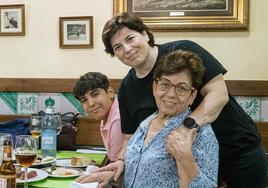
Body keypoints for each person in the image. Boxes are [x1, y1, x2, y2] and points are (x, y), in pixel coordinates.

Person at [88, 12, 267, 187]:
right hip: (183, 164)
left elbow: (218, 94)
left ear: (145, 34)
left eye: (130, 38)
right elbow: (129, 136)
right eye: (117, 47)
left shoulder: (184, 52)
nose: (126, 49)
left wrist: (185, 129)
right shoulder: (127, 87)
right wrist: (121, 161)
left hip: (237, 150)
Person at [77, 50, 219, 187]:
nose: (171, 94)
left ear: (192, 96)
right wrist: (114, 176)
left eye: (181, 88)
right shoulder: (147, 122)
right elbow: (142, 174)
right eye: (165, 84)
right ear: (155, 87)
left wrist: (185, 158)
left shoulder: (201, 134)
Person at [73, 72, 124, 162]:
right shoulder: (106, 115)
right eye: (84, 100)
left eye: (95, 94)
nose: (91, 104)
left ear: (110, 92)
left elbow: (116, 167)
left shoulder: (118, 119)